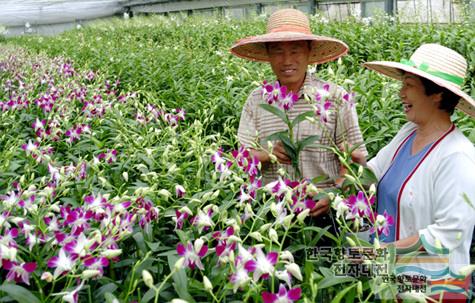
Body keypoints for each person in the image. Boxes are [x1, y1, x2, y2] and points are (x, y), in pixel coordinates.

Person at [230, 8, 367, 219]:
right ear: (267, 54)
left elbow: (355, 160)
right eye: (277, 51)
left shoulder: (335, 98)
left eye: (295, 50)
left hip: (325, 214)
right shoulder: (257, 101)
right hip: (273, 215)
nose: (286, 60)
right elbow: (241, 162)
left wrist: (333, 193)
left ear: (309, 52)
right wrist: (267, 156)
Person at [364, 43, 475, 300]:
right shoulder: (408, 134)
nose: (401, 92)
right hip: (394, 281)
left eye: (409, 85)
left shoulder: (457, 156)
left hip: (435, 289)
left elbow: (448, 235)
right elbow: (372, 172)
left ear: (436, 94)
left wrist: (379, 254)